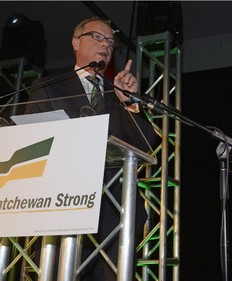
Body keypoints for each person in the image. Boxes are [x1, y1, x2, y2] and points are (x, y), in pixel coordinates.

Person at [25, 17, 158, 280]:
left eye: (111, 42)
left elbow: (145, 145)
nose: (106, 46)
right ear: (76, 42)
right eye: (97, 37)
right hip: (62, 207)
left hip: (115, 212)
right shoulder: (48, 88)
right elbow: (34, 143)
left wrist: (129, 105)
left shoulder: (117, 93)